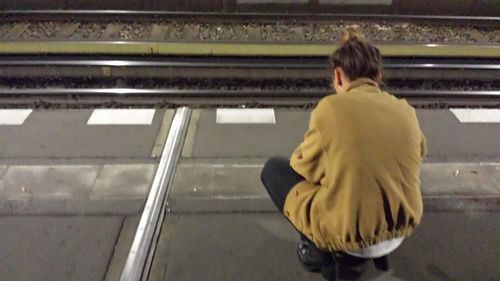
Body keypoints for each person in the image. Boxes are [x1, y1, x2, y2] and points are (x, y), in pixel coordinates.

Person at [260, 28, 426, 281]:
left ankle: (320, 251)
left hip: (350, 238)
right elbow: (418, 154)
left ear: (338, 75)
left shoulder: (331, 109)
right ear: (378, 76)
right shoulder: (405, 110)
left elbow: (302, 166)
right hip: (398, 230)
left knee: (274, 170)